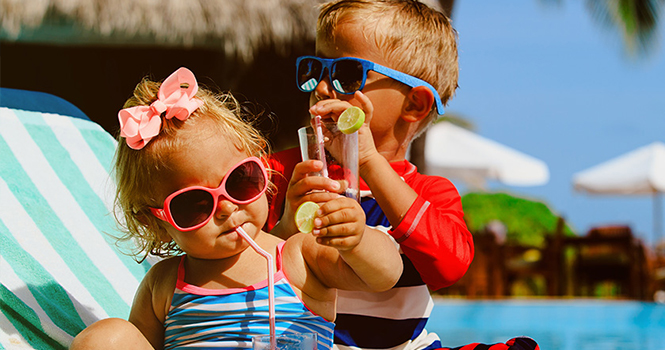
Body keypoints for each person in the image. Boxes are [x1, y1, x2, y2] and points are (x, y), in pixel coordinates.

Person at [266, 1, 538, 349]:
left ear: (414, 105)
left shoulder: (428, 193)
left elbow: (449, 267)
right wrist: (285, 227)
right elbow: (232, 259)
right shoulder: (281, 173)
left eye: (347, 75)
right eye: (315, 69)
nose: (321, 88)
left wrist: (368, 163)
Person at [69, 67, 403, 350]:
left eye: (239, 181)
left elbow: (385, 275)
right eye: (194, 204)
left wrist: (357, 240)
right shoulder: (164, 284)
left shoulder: (298, 256)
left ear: (262, 167)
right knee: (107, 337)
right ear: (157, 223)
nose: (227, 208)